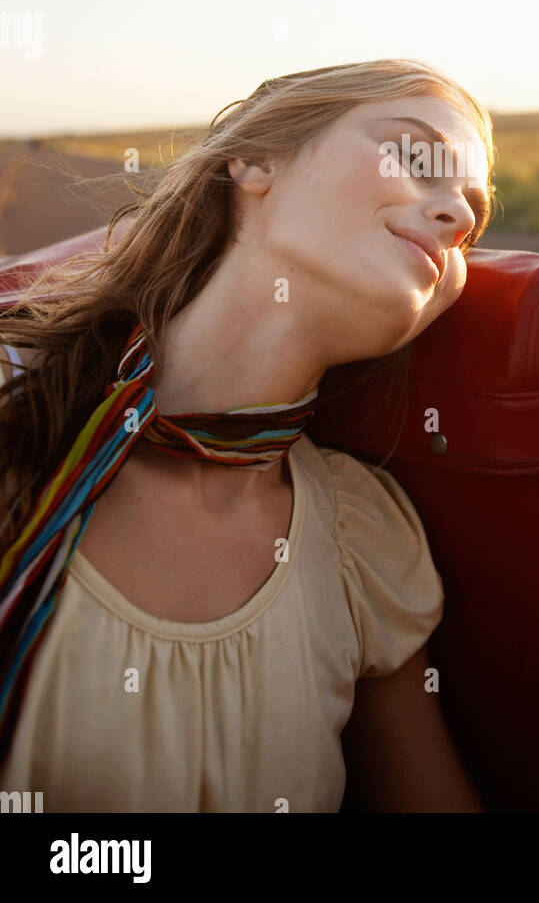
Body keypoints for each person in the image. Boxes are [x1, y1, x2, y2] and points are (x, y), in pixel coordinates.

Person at [0, 58, 498, 812]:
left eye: (475, 213)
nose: (458, 217)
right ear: (255, 160)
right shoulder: (15, 411)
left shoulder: (360, 545)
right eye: (417, 156)